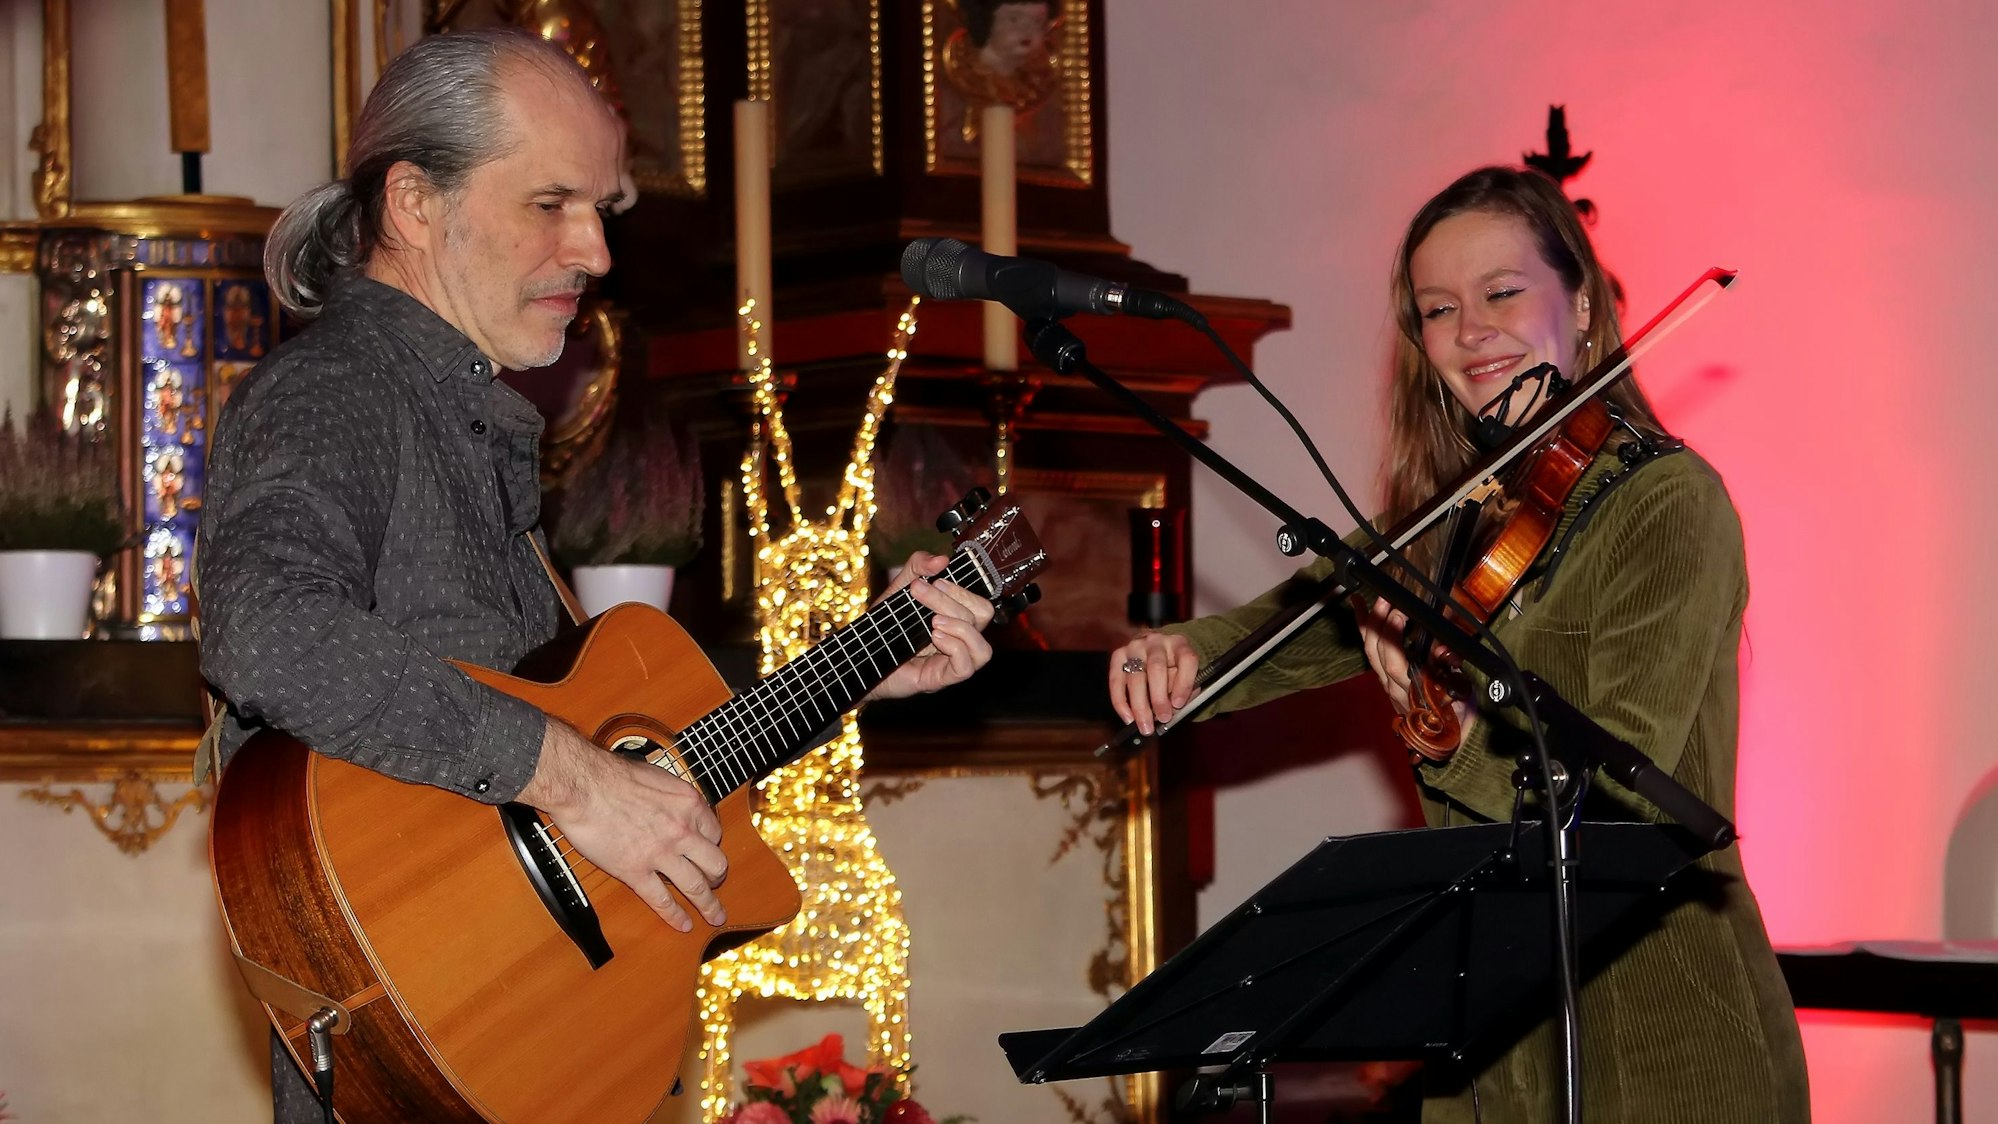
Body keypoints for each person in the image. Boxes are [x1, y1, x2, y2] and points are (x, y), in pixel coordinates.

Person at [195, 28, 996, 1122]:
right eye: (550, 204)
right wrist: (576, 782)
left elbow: (627, 742)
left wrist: (861, 662)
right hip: (420, 1039)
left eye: (603, 210)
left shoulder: (460, 415)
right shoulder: (339, 389)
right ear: (414, 204)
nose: (596, 251)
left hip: (517, 1037)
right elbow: (269, 631)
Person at [1108, 166, 1809, 1123]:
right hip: (1488, 1045)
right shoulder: (1454, 520)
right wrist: (1183, 654)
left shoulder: (1668, 504)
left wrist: (1444, 726)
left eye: (1502, 292)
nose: (1471, 329)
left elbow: (1616, 794)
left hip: (1664, 1034)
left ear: (1585, 306)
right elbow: (1297, 620)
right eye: (1439, 309)